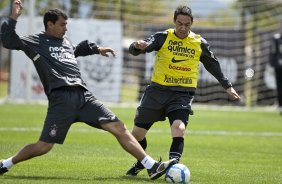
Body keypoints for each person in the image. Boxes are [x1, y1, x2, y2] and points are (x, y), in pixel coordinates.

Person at [0, 0, 177, 180]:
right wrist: (14, 16)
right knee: (44, 146)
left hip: (84, 97)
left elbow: (75, 50)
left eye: (66, 25)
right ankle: (5, 164)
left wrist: (96, 49)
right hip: (61, 101)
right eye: (62, 25)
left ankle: (151, 166)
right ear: (49, 24)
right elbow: (8, 40)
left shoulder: (65, 41)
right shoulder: (36, 42)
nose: (65, 29)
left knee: (119, 127)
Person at [126, 5, 241, 176]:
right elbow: (138, 49)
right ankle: (143, 162)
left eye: (187, 24)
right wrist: (137, 46)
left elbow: (212, 65)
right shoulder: (163, 37)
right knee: (136, 135)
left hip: (182, 94)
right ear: (174, 22)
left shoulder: (198, 43)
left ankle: (172, 169)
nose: (183, 28)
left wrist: (227, 86)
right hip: (157, 91)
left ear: (191, 24)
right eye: (179, 23)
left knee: (179, 128)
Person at [269, 32, 282, 115]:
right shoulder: (276, 38)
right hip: (279, 67)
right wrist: (272, 64)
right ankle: (280, 106)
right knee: (280, 87)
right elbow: (273, 52)